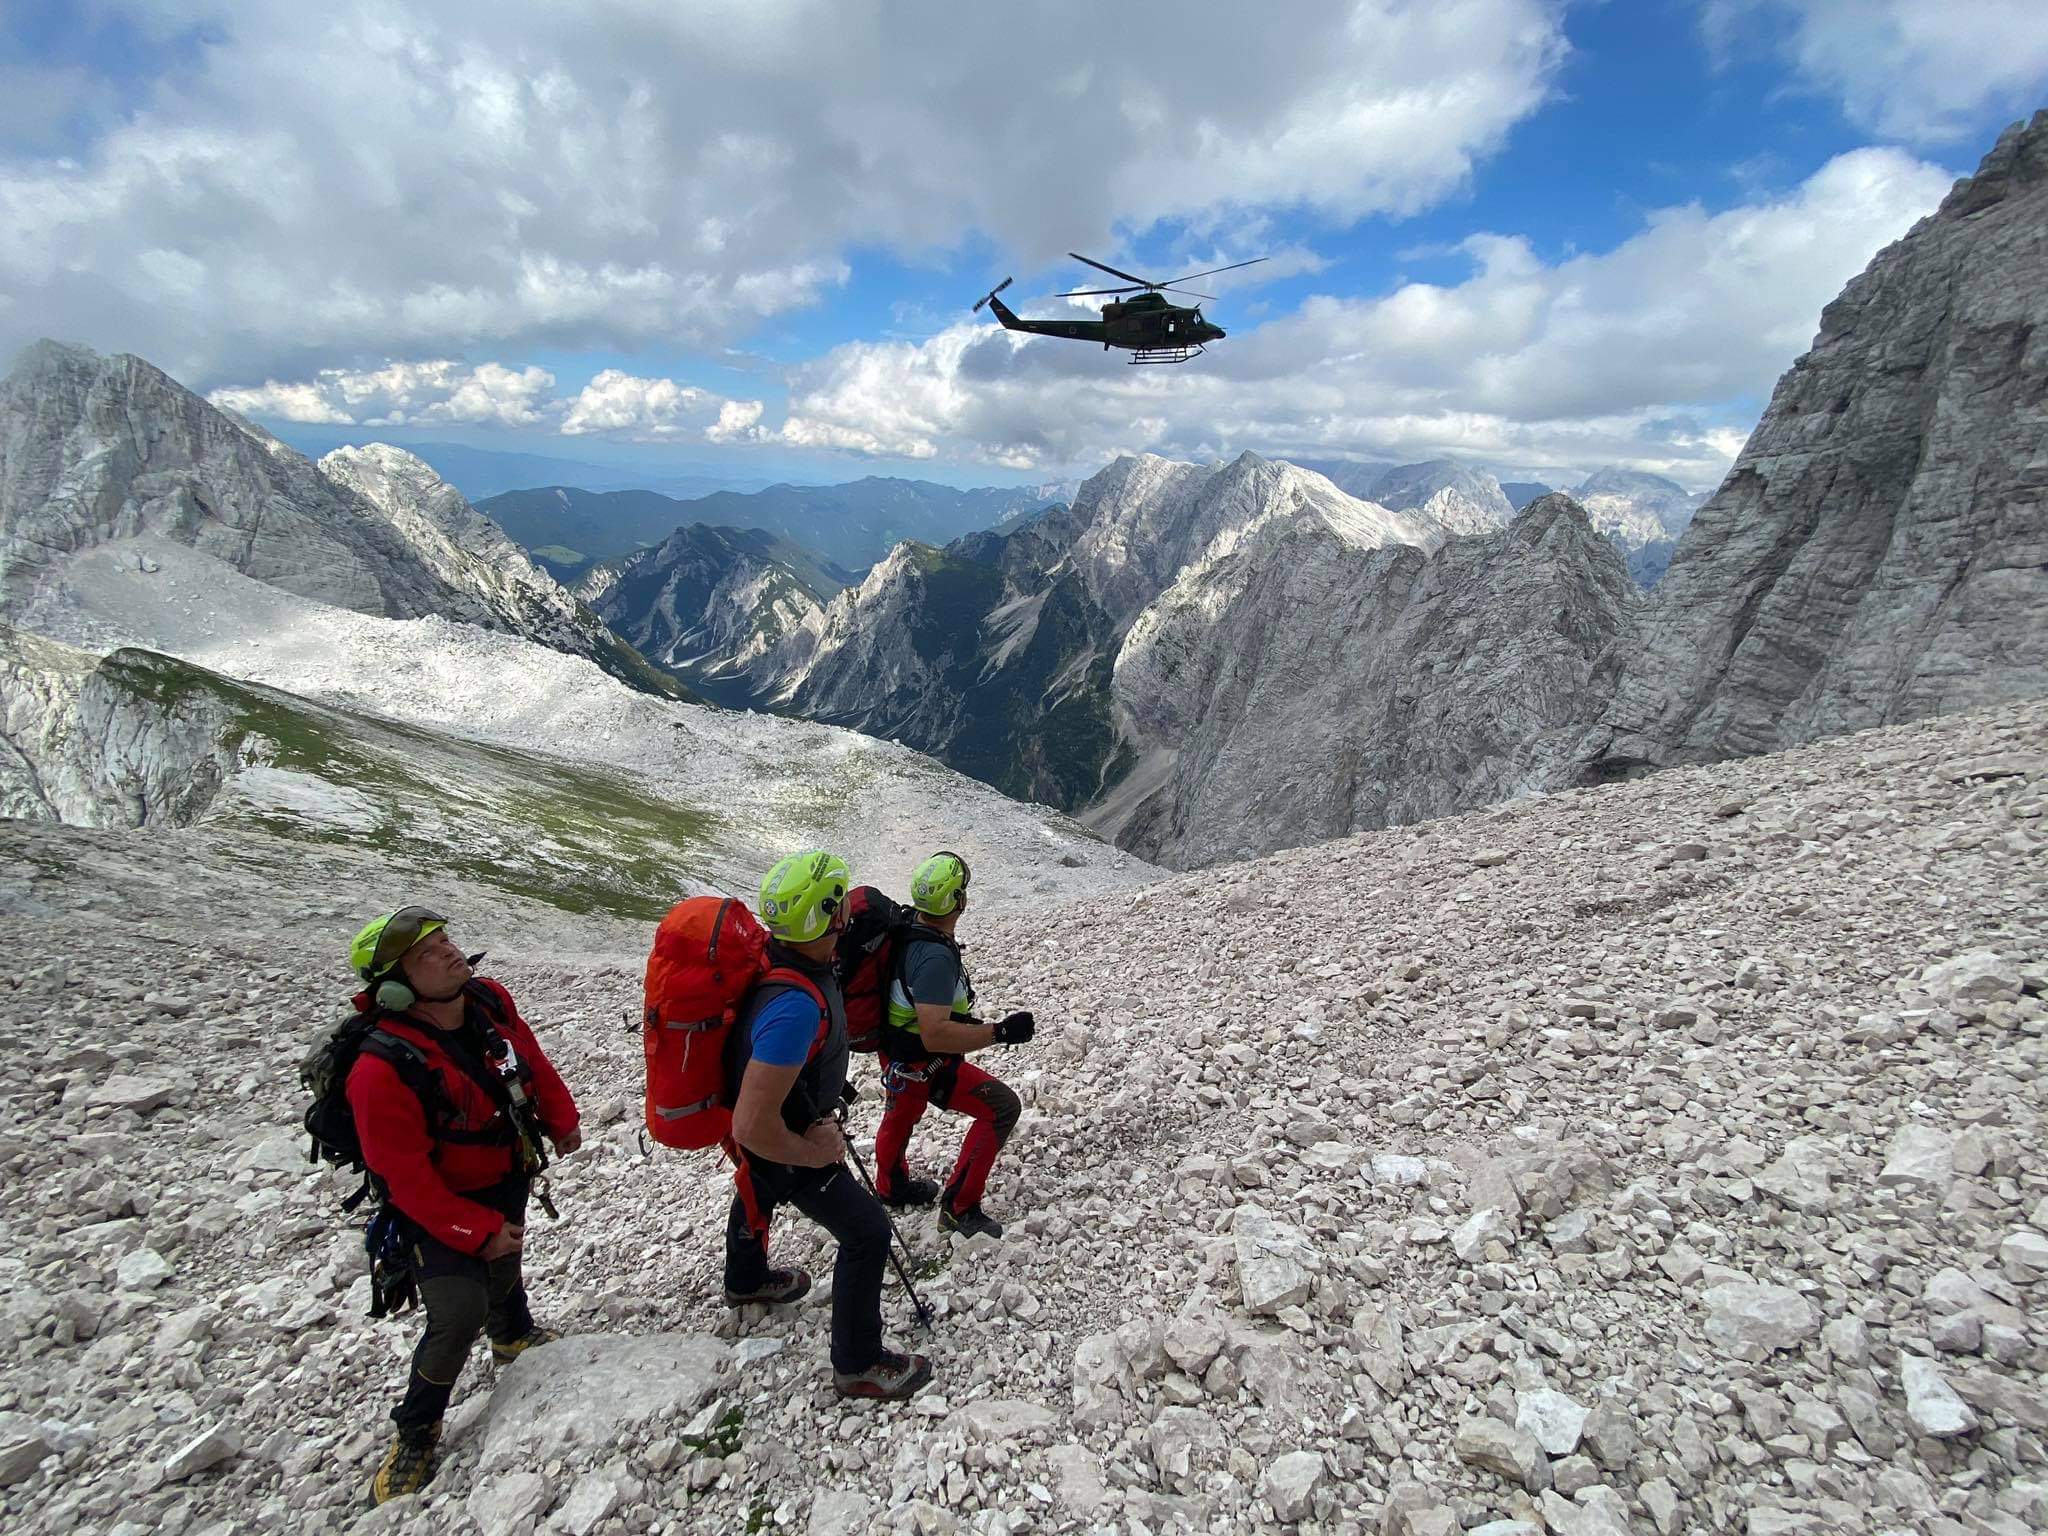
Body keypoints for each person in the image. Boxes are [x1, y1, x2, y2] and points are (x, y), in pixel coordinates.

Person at [345, 906, 581, 1504]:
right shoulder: (378, 1068)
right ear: (394, 986)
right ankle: (416, 1432)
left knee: (507, 1259)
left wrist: (561, 1118)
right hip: (437, 1201)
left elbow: (526, 1058)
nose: (451, 953)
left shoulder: (487, 1001)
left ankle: (514, 1335)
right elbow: (402, 1180)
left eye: (446, 941)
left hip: (505, 1165)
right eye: (429, 953)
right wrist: (474, 1231)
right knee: (456, 1313)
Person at [724, 850, 933, 1401]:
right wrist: (812, 1150)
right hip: (786, 1137)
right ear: (825, 915)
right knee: (867, 1232)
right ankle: (859, 1364)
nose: (847, 912)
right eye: (837, 904)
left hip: (783, 1122)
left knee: (757, 1184)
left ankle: (745, 1279)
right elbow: (751, 1124)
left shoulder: (780, 962)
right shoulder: (794, 1006)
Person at [872, 852, 1034, 1239]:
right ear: (957, 901)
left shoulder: (911, 927)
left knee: (901, 1113)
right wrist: (1000, 1032)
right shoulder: (933, 957)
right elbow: (935, 1033)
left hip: (898, 1054)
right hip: (924, 1060)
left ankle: (891, 1186)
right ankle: (960, 1209)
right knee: (1002, 1107)